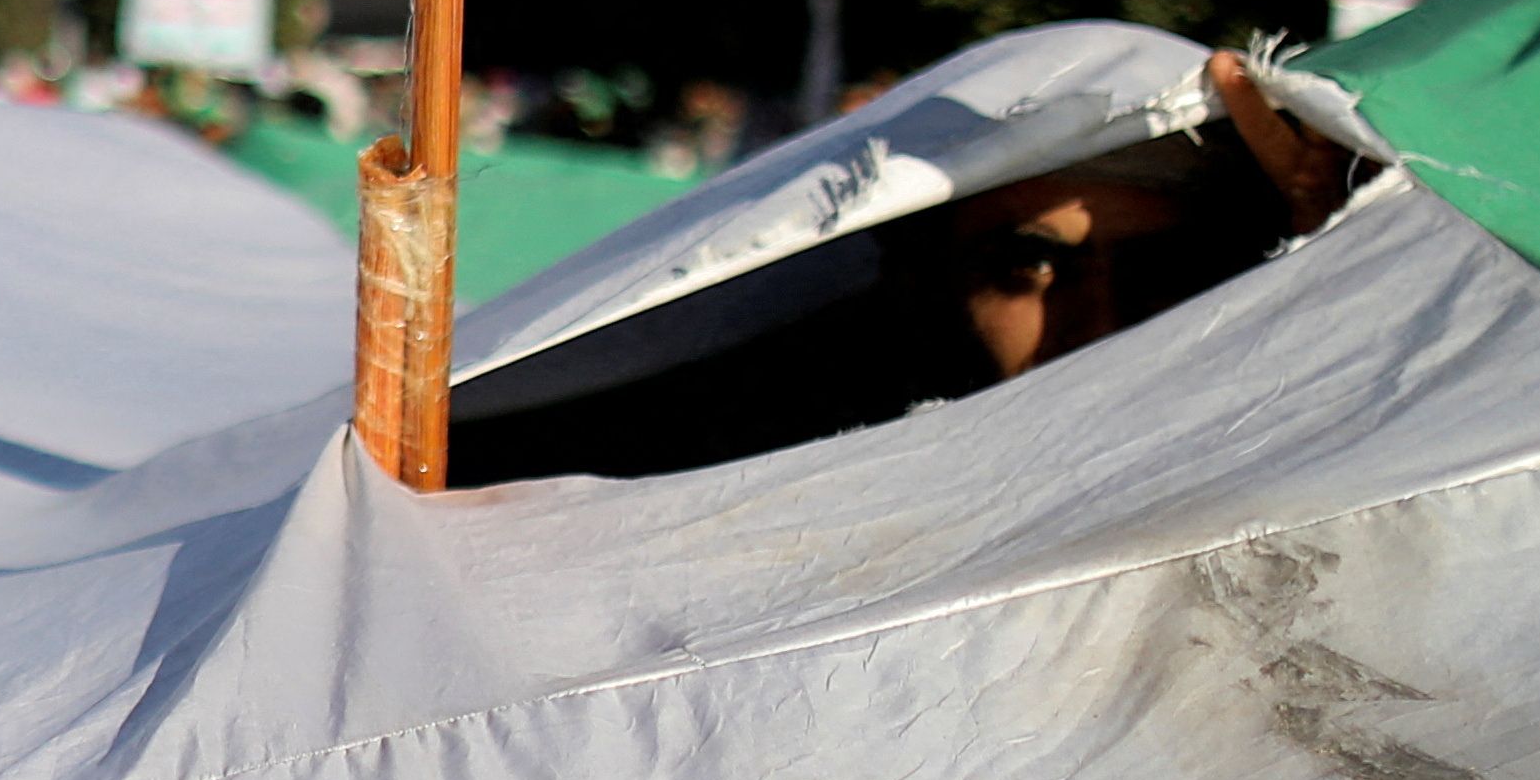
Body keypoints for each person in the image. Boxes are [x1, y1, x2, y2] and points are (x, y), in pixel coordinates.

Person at [448, 51, 1371, 489]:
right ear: (921, 270)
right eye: (1032, 267)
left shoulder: (1272, 468)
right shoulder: (759, 472)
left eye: (1165, 263)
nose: (1100, 323)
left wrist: (1348, 277)